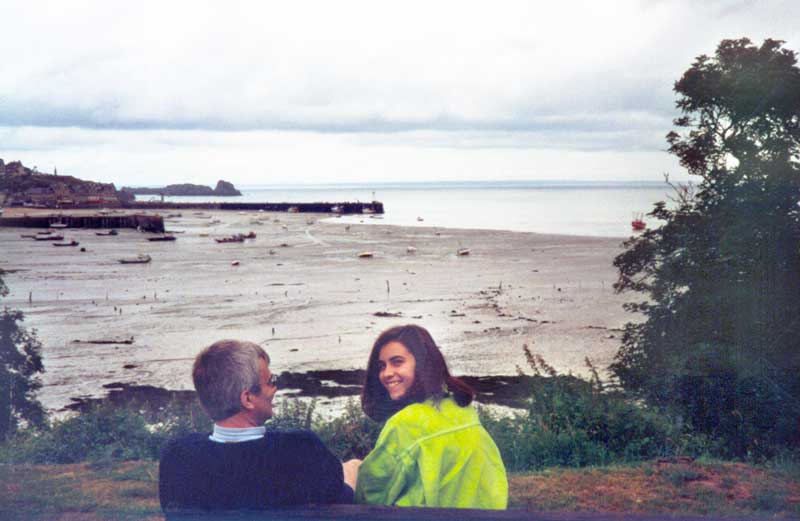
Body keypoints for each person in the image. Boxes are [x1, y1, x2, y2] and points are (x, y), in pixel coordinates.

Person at [159, 340, 360, 512]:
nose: (275, 389)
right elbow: (341, 498)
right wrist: (352, 471)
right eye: (270, 381)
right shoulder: (300, 450)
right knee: (354, 467)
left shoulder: (177, 458)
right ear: (247, 398)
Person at [355, 324, 508, 509]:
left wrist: (351, 476)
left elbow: (369, 499)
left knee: (352, 468)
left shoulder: (406, 424)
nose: (386, 373)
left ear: (422, 364)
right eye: (382, 366)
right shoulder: (463, 411)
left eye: (397, 362)